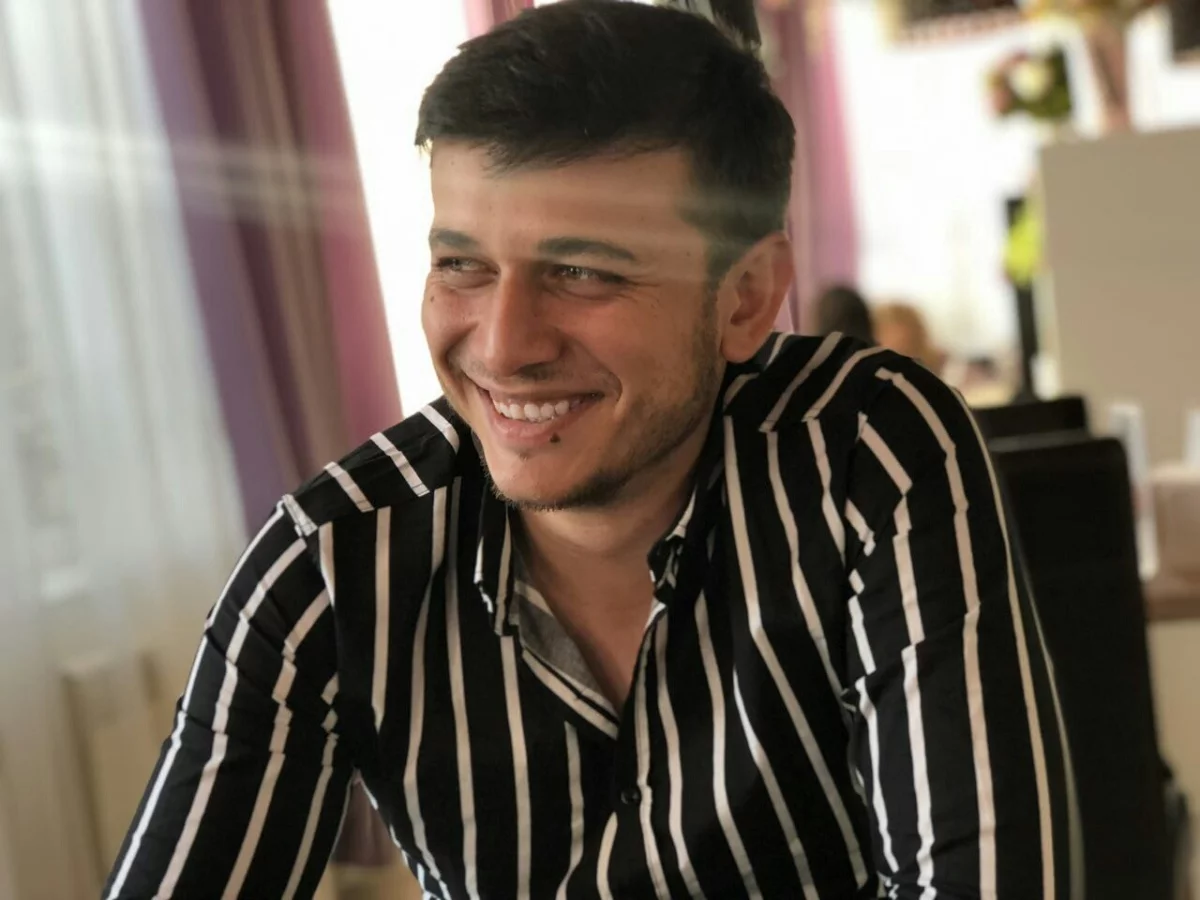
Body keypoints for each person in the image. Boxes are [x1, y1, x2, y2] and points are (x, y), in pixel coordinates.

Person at [105, 2, 1073, 897]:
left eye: (580, 272)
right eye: (461, 264)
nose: (502, 346)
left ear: (745, 298)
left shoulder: (861, 453)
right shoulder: (330, 562)